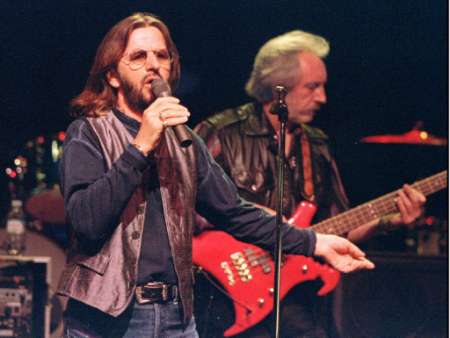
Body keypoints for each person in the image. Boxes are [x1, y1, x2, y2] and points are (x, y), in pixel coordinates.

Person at [56, 13, 375, 338]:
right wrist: (139, 147)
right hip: (109, 318)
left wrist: (314, 242)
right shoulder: (88, 134)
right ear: (112, 75)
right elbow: (86, 220)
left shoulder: (184, 141)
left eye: (161, 55)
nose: (153, 65)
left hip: (175, 317)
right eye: (139, 56)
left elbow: (234, 212)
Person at [194, 30, 426, 337]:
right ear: (279, 88)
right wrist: (256, 221)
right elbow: (184, 210)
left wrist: (389, 221)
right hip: (223, 290)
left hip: (293, 299)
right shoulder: (221, 133)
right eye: (312, 87)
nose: (323, 98)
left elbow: (338, 225)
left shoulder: (317, 145)